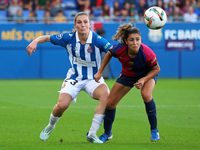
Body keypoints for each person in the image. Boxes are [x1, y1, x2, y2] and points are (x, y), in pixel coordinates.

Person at [26, 12, 112, 143]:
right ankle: (50, 126)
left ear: (90, 24)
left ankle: (92, 134)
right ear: (75, 25)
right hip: (75, 77)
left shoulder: (98, 40)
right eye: (79, 22)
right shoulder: (68, 38)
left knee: (106, 97)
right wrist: (35, 41)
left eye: (85, 22)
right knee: (62, 105)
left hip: (93, 78)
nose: (82, 25)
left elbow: (113, 50)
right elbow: (47, 37)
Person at [94, 23, 160, 143]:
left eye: (138, 39)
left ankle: (154, 130)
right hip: (128, 75)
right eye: (131, 40)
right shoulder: (119, 48)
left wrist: (144, 79)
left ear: (141, 39)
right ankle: (107, 133)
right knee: (110, 103)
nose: (135, 43)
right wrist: (100, 71)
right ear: (125, 41)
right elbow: (109, 53)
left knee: (146, 95)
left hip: (147, 75)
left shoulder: (147, 53)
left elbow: (156, 69)